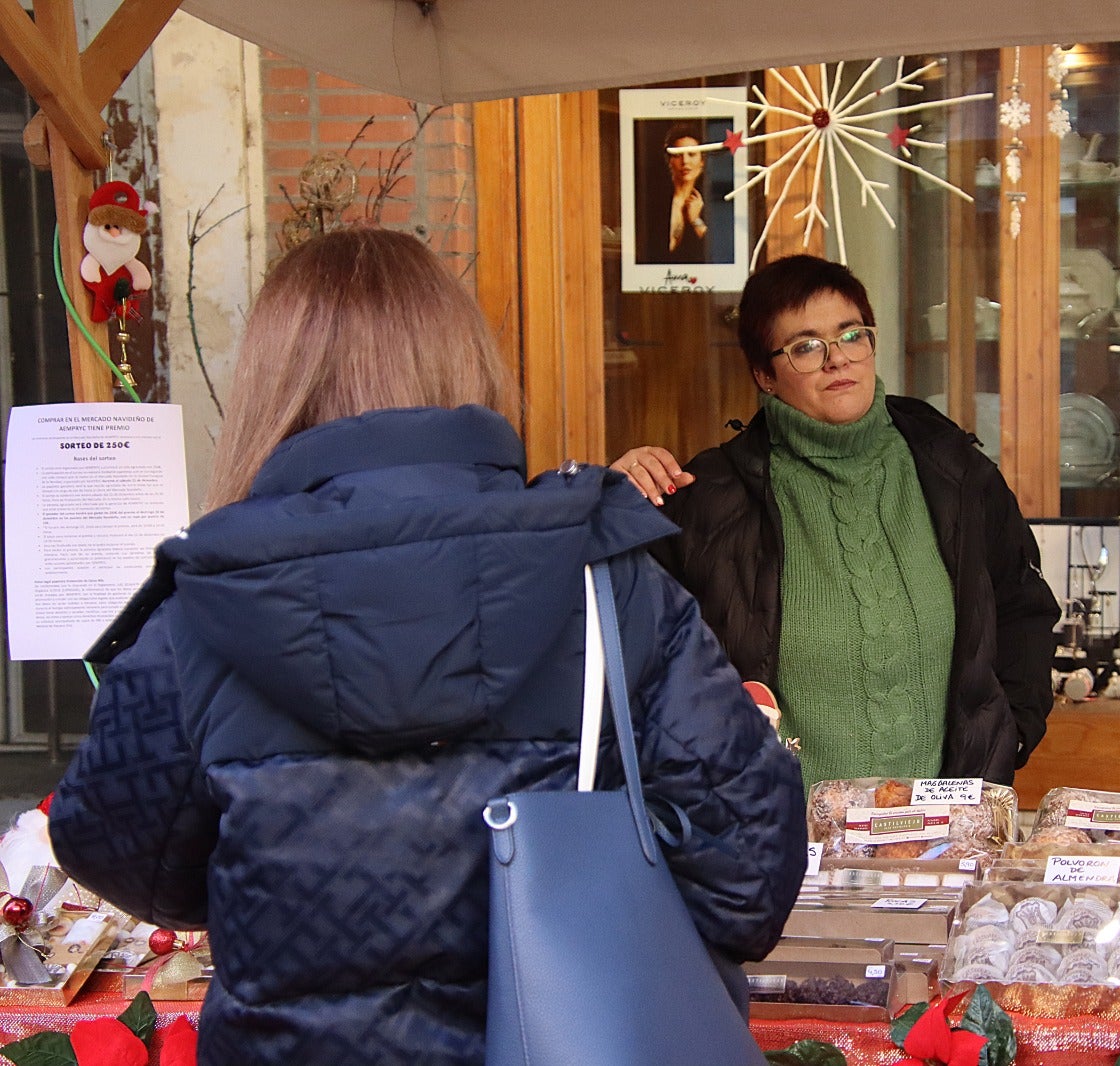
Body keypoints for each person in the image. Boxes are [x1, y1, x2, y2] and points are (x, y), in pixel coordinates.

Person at [48, 229, 806, 1065]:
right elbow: (749, 878)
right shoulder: (607, 588)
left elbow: (124, 863)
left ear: (271, 383)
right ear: (466, 361)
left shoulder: (198, 617)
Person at [612, 254, 1059, 789]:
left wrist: (1011, 733)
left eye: (851, 336)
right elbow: (625, 658)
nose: (837, 360)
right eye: (805, 347)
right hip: (780, 843)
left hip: (946, 836)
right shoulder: (705, 498)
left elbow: (1021, 611)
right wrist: (609, 504)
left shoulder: (955, 473)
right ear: (765, 376)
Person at [664, 124, 709, 262]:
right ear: (670, 160)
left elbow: (720, 250)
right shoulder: (654, 201)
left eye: (692, 154)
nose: (685, 161)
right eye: (678, 155)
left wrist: (695, 220)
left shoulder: (711, 203)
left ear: (702, 161)